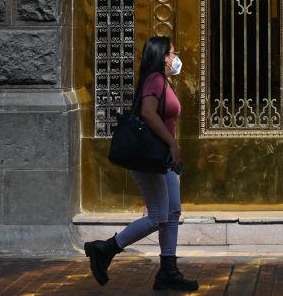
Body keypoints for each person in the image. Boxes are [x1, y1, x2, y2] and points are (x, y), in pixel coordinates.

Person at [83, 36, 198, 292]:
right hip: (150, 158)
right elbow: (147, 113)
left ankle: (167, 271)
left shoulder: (161, 81)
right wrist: (172, 143)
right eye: (172, 53)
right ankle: (106, 248)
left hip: (162, 159)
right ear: (161, 56)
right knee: (158, 216)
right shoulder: (155, 80)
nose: (175, 58)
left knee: (173, 211)